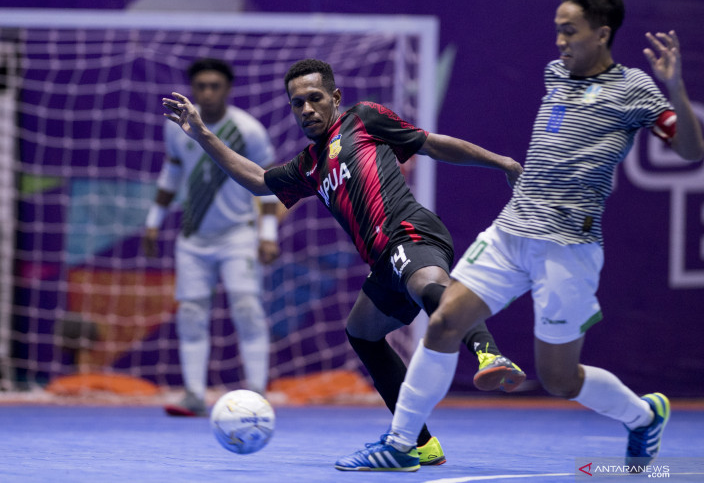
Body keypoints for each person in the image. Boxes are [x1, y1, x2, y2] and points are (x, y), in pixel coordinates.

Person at [334, 0, 704, 472]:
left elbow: (691, 149)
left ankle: (642, 416)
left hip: (568, 248)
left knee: (559, 379)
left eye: (570, 31)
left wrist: (675, 89)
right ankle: (402, 443)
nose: (560, 41)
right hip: (510, 233)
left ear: (602, 32)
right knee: (445, 322)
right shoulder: (556, 73)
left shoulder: (633, 90)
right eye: (557, 30)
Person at [163, 58, 527, 465]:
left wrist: (503, 163)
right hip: (381, 260)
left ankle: (489, 353)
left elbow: (432, 143)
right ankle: (421, 444)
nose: (306, 110)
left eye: (315, 98)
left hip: (408, 232)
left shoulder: (364, 119)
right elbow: (257, 180)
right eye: (297, 103)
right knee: (362, 332)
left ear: (335, 97)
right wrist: (203, 136)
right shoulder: (309, 164)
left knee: (426, 285)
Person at [144, 58, 282, 417]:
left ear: (227, 89)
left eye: (214, 86)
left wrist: (268, 234)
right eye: (200, 86)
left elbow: (268, 185)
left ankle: (257, 396)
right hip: (193, 239)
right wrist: (153, 220)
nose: (206, 92)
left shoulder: (248, 130)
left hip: (239, 235)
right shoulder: (178, 127)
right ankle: (193, 395)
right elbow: (171, 174)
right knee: (190, 314)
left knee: (248, 309)